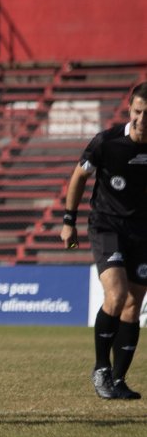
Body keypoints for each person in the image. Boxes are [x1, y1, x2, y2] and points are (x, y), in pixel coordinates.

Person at [61, 81, 147, 400]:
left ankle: (119, 379)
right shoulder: (107, 142)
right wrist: (68, 221)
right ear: (130, 110)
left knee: (133, 305)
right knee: (117, 293)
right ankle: (101, 369)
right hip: (106, 226)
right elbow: (79, 176)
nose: (142, 119)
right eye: (138, 112)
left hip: (143, 231)